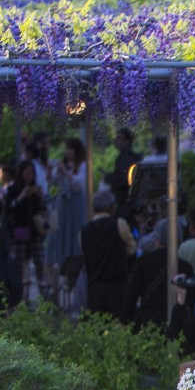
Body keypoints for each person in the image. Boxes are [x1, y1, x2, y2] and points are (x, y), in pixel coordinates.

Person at [45, 137, 89, 308]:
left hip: (76, 212)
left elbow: (80, 186)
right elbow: (53, 190)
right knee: (58, 246)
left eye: (69, 148)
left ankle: (72, 284)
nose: (67, 152)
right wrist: (51, 175)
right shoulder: (63, 168)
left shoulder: (83, 167)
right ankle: (58, 288)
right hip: (63, 213)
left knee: (75, 246)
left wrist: (66, 173)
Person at [81, 190, 134, 319]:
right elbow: (132, 249)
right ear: (111, 207)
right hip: (117, 287)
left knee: (96, 326)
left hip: (94, 289)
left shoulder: (84, 230)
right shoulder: (119, 224)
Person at [1, 159, 47, 302]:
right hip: (20, 228)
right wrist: (22, 196)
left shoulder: (35, 189)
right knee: (20, 262)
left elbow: (42, 209)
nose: (29, 176)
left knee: (39, 259)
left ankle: (43, 291)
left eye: (31, 173)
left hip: (34, 229)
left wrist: (39, 197)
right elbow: (9, 209)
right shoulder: (13, 190)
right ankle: (20, 295)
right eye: (26, 173)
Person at [108, 127, 139, 214]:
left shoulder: (126, 158)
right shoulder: (124, 157)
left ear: (127, 141)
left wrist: (110, 178)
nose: (116, 141)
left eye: (119, 138)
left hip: (125, 201)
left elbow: (124, 179)